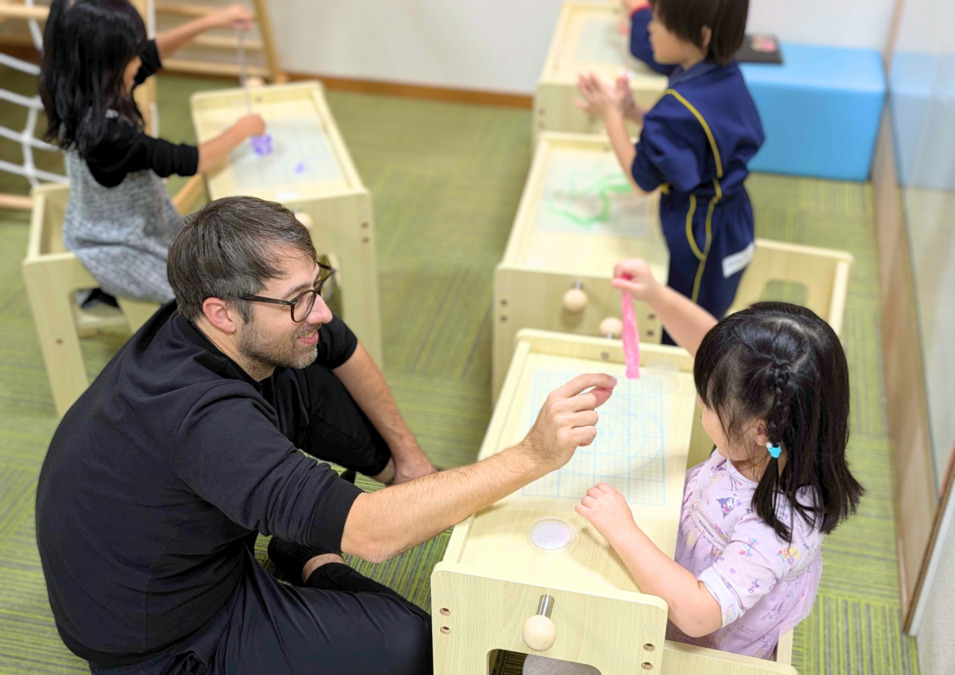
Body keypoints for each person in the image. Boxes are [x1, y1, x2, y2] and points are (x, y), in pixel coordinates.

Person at [35, 196, 617, 675]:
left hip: (202, 555)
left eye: (318, 286)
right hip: (169, 640)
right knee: (417, 647)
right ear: (222, 313)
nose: (319, 310)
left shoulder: (217, 319)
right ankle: (316, 560)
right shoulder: (205, 421)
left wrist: (408, 461)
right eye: (299, 300)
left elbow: (339, 345)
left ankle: (311, 543)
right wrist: (532, 455)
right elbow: (375, 536)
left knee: (305, 366)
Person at [579, 259, 863, 660]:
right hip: (678, 569)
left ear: (761, 430)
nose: (699, 401)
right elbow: (708, 346)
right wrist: (656, 296)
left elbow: (699, 614)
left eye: (709, 402)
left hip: (699, 646)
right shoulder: (784, 438)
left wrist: (622, 529)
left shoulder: (777, 527)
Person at [39, 0, 266, 304]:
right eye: (131, 56)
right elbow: (190, 160)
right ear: (106, 64)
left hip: (123, 219)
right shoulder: (109, 134)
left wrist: (214, 20)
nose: (139, 62)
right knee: (199, 299)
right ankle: (103, 295)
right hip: (118, 245)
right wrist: (243, 129)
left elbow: (153, 53)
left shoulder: (83, 87)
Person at [577, 0, 764, 344]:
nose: (649, 26)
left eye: (659, 20)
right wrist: (631, 109)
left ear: (702, 35)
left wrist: (612, 117)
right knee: (711, 306)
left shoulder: (678, 107)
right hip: (734, 219)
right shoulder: (721, 71)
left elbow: (640, 178)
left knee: (685, 323)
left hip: (701, 234)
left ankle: (693, 375)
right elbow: (690, 137)